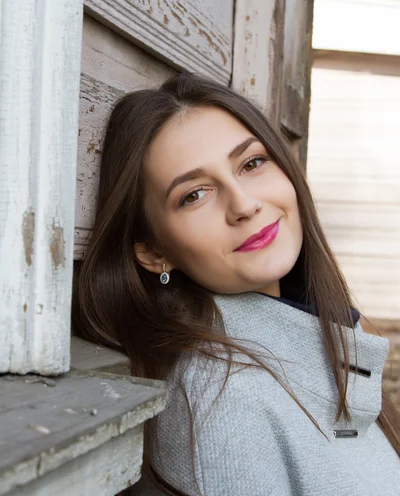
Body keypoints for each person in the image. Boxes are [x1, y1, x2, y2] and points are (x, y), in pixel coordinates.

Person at [72, 73, 400, 496]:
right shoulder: (224, 401)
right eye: (194, 194)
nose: (244, 205)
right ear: (155, 253)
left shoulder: (305, 340)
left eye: (251, 163)